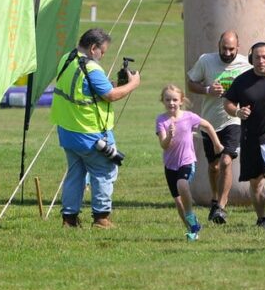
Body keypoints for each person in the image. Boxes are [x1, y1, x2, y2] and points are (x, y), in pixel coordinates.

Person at [52, 28, 141, 229]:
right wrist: (132, 84)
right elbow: (109, 95)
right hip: (91, 133)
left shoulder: (67, 58)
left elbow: (83, 88)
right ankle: (101, 218)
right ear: (93, 48)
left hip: (67, 130)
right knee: (104, 171)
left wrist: (111, 84)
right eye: (103, 52)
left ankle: (69, 219)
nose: (102, 56)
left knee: (75, 174)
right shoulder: (92, 68)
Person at [186, 31, 251, 225]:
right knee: (214, 166)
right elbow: (191, 83)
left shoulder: (245, 65)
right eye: (224, 48)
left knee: (225, 162)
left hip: (233, 120)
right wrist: (207, 90)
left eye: (232, 49)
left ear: (237, 48)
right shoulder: (206, 61)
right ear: (218, 45)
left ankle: (221, 207)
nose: (228, 52)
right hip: (210, 122)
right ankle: (215, 199)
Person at [223, 42, 265, 229]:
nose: (261, 61)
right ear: (251, 59)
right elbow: (228, 103)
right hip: (250, 136)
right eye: (257, 57)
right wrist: (237, 112)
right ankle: (261, 219)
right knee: (256, 182)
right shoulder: (242, 80)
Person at [156, 85, 223, 241]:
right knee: (178, 201)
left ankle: (190, 215)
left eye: (174, 100)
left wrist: (217, 144)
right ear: (163, 101)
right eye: (167, 100)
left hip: (187, 161)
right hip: (169, 165)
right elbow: (164, 145)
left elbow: (207, 126)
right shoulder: (161, 120)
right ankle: (192, 230)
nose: (171, 103)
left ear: (181, 101)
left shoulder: (189, 117)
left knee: (182, 184)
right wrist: (169, 136)